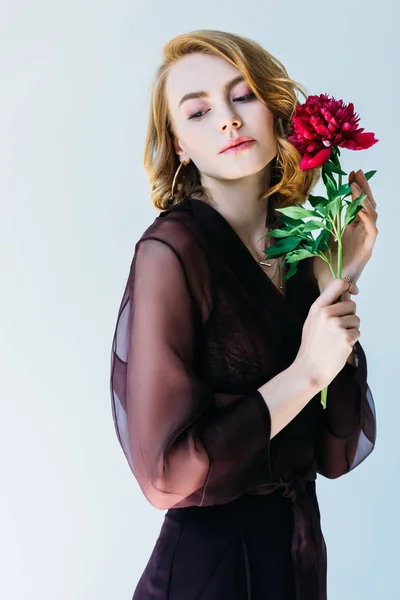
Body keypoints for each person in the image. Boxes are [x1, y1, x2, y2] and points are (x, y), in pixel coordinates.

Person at [110, 29, 377, 600]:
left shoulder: (299, 245)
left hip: (299, 562)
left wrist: (340, 278)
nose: (227, 120)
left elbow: (334, 453)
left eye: (243, 96)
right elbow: (165, 478)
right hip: (209, 576)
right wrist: (305, 372)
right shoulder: (171, 252)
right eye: (199, 111)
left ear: (275, 111)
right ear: (179, 144)